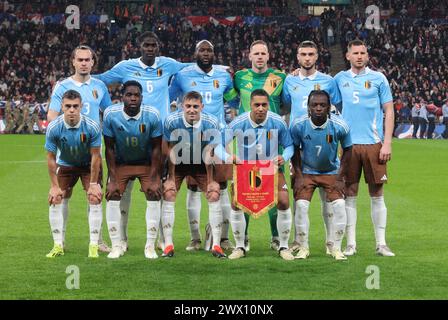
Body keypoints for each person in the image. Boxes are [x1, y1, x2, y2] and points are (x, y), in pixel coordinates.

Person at [95, 32, 190, 252]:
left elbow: (189, 66)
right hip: (131, 133)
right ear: (139, 47)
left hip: (160, 136)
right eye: (146, 45)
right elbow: (102, 79)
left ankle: (160, 239)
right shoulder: (125, 66)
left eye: (153, 45)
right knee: (123, 189)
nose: (150, 48)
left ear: (158, 47)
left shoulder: (168, 64)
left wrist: (223, 68)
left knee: (161, 187)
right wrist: (77, 77)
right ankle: (123, 238)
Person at [168, 40, 236, 252]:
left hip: (220, 137)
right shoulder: (183, 75)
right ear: (195, 52)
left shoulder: (224, 76)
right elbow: (169, 97)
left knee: (222, 187)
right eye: (202, 50)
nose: (206, 53)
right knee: (193, 186)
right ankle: (195, 238)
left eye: (209, 50)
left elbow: (233, 100)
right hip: (190, 138)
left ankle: (223, 238)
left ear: (214, 53)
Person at [215, 89, 295, 261]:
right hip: (246, 170)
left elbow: (289, 146)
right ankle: (240, 246)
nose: (260, 108)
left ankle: (283, 246)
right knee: (237, 203)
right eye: (256, 105)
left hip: (270, 169)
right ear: (250, 105)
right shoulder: (239, 122)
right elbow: (218, 146)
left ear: (268, 105)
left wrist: (284, 156)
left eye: (264, 105)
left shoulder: (277, 122)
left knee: (283, 200)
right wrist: (229, 157)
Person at [47, 44, 112, 252]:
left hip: (92, 153)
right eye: (80, 59)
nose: (84, 63)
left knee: (94, 194)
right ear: (73, 62)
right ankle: (61, 240)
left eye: (87, 59)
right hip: (66, 153)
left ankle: (98, 240)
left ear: (93, 62)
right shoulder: (62, 86)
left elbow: (109, 113)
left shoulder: (100, 86)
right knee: (62, 196)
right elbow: (51, 115)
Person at [334, 39, 395, 257]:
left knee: (377, 193)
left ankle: (381, 243)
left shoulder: (378, 78)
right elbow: (320, 93)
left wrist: (387, 142)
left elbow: (389, 110)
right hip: (349, 145)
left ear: (367, 55)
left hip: (374, 144)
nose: (359, 56)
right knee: (349, 193)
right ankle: (351, 244)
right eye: (355, 53)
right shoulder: (339, 79)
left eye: (363, 52)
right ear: (348, 56)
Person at [282, 40, 342, 255]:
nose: (307, 58)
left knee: (328, 198)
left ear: (317, 57)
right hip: (298, 145)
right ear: (297, 57)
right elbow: (284, 105)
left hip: (323, 143)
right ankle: (299, 242)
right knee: (300, 196)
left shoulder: (328, 81)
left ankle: (330, 243)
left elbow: (337, 108)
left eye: (311, 54)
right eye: (303, 54)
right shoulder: (289, 81)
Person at [229, 40, 287, 251]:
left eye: (263, 53)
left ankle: (276, 238)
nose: (260, 56)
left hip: (272, 141)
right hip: (246, 141)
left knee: (274, 192)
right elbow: (232, 98)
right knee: (244, 193)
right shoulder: (240, 77)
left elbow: (286, 102)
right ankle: (242, 239)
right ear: (250, 55)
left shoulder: (279, 77)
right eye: (256, 53)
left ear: (268, 56)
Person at [102, 81, 163, 259]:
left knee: (153, 193)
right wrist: (112, 179)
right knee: (112, 194)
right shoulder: (111, 115)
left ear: (142, 97)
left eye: (136, 95)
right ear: (122, 97)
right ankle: (117, 244)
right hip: (122, 163)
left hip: (145, 163)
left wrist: (154, 178)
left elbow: (157, 149)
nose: (133, 98)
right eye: (129, 95)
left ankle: (150, 245)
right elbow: (109, 149)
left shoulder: (152, 115)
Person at [289, 90, 352, 260]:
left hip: (331, 172)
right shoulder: (298, 125)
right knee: (301, 206)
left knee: (339, 206)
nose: (318, 108)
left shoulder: (340, 126)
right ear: (308, 107)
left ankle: (336, 248)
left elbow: (348, 151)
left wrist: (340, 178)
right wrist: (299, 175)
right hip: (307, 172)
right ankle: (304, 247)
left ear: (329, 107)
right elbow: (294, 149)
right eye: (314, 105)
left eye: (322, 105)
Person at [162, 91, 225, 259]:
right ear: (182, 106)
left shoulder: (211, 122)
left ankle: (217, 245)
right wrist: (170, 179)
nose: (192, 110)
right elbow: (170, 150)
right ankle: (168, 245)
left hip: (201, 164)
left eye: (196, 106)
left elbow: (209, 153)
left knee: (213, 193)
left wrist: (211, 181)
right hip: (179, 163)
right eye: (188, 106)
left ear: (202, 107)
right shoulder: (172, 121)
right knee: (168, 192)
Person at [45, 90, 103, 258]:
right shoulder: (54, 127)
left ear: (81, 107)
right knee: (56, 198)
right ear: (62, 107)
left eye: (75, 106)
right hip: (66, 164)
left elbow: (95, 156)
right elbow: (50, 158)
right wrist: (54, 186)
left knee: (95, 197)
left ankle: (93, 245)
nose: (71, 110)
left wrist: (93, 184)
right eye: (68, 106)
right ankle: (58, 244)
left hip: (87, 166)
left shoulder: (92, 126)